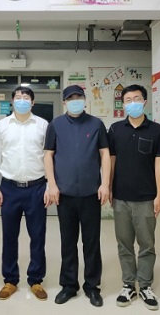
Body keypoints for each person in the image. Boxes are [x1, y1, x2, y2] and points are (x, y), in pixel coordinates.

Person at [44, 85, 110, 307]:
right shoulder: (56, 125)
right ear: (64, 102)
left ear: (84, 100)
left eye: (78, 97)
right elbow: (48, 155)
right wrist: (52, 185)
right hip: (65, 195)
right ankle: (69, 285)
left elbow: (105, 154)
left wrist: (105, 184)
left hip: (91, 194)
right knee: (68, 242)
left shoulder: (96, 124)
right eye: (70, 98)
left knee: (91, 242)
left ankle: (92, 286)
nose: (75, 101)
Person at [108, 84, 160, 311]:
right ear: (123, 104)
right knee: (124, 244)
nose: (132, 103)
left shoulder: (157, 131)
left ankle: (144, 285)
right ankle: (128, 285)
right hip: (121, 198)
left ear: (144, 102)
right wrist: (109, 187)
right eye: (128, 100)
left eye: (136, 99)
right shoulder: (115, 129)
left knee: (146, 245)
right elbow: (111, 161)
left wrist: (159, 195)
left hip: (146, 198)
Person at [0, 86, 49, 301]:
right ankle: (10, 280)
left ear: (32, 102)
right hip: (9, 188)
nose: (21, 100)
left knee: (38, 236)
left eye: (26, 97)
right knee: (9, 235)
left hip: (37, 187)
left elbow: (49, 157)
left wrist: (50, 186)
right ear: (12, 102)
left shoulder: (43, 125)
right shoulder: (3, 125)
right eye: (17, 97)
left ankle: (36, 280)